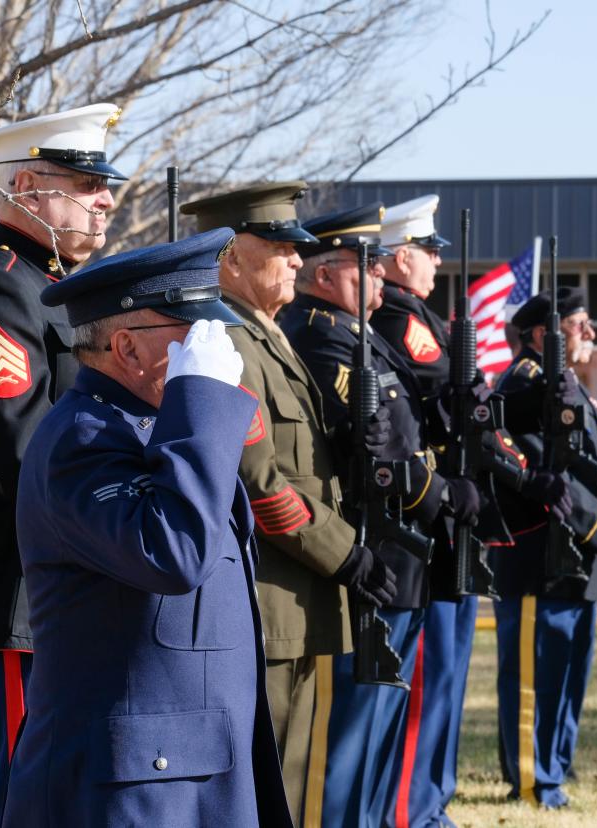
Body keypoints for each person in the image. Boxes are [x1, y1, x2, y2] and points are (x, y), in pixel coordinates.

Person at [4, 228, 291, 826]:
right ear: (128, 348)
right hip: (131, 787)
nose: (215, 352)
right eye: (192, 335)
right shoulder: (84, 439)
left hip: (189, 770)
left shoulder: (157, 430)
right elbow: (173, 554)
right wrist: (201, 402)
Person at [0, 103, 124, 828]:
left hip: (62, 568)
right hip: (19, 574)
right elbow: (25, 448)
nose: (105, 199)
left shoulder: (56, 289)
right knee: (24, 796)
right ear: (27, 188)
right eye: (86, 183)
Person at [181, 182, 381, 826]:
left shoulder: (266, 333)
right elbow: (259, 483)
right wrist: (344, 553)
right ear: (231, 258)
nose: (299, 259)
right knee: (274, 781)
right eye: (280, 247)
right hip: (272, 593)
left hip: (297, 591)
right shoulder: (227, 340)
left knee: (296, 777)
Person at [281, 203, 472, 828]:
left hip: (398, 549)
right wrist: (437, 493)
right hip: (367, 549)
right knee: (348, 735)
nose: (382, 280)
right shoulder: (318, 336)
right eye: (367, 267)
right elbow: (375, 446)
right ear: (326, 274)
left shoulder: (360, 336)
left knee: (381, 729)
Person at [491, 287, 597, 809]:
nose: (590, 333)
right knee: (534, 672)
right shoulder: (523, 386)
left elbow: (589, 466)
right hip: (538, 553)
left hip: (574, 556)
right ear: (545, 335)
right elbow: (550, 473)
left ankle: (554, 770)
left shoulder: (562, 385)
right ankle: (531, 776)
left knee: (567, 669)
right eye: (580, 324)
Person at [368, 194, 487, 827]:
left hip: (442, 509)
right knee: (429, 678)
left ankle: (430, 798)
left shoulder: (421, 318)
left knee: (444, 676)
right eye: (429, 252)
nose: (438, 264)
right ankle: (414, 809)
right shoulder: (399, 320)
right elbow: (440, 391)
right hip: (423, 511)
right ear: (400, 256)